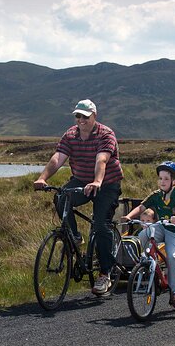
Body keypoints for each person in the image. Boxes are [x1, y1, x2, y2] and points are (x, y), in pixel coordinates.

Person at [33, 99, 123, 295]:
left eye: (85, 116)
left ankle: (105, 273)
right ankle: (74, 236)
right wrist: (42, 178)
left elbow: (102, 159)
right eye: (78, 116)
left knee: (100, 224)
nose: (81, 120)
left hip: (106, 184)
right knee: (61, 198)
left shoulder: (105, 134)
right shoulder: (70, 135)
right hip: (81, 180)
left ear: (94, 116)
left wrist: (98, 181)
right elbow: (58, 158)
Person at [122, 161, 175, 307]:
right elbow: (142, 206)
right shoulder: (156, 195)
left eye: (166, 179)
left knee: (172, 255)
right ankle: (149, 265)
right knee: (143, 235)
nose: (162, 181)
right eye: (160, 178)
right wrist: (129, 217)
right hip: (161, 226)